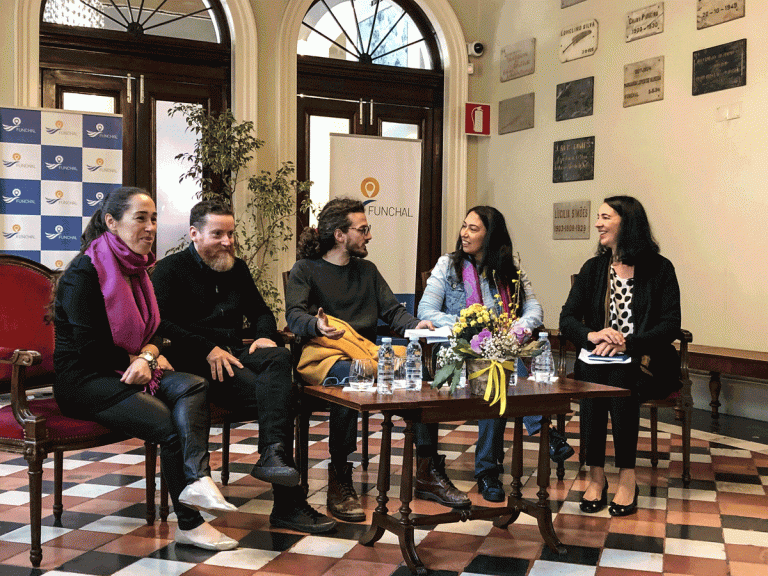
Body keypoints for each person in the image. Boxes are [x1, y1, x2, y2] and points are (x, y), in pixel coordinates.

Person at [53, 187, 239, 551]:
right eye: (141, 218)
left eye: (153, 219)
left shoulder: (136, 269)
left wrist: (148, 355)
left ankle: (198, 480)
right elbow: (90, 350)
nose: (151, 227)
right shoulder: (84, 272)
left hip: (127, 368)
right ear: (111, 222)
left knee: (193, 385)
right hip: (85, 381)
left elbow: (155, 330)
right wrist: (145, 357)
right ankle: (189, 523)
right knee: (167, 426)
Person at [150, 200, 336, 534]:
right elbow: (159, 323)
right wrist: (208, 349)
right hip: (195, 360)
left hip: (236, 353)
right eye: (218, 234)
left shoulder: (236, 268)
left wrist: (264, 336)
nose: (228, 241)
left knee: (278, 356)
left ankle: (272, 457)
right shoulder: (169, 270)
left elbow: (262, 311)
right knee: (284, 397)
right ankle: (288, 504)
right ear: (194, 234)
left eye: (231, 233)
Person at [285, 197, 472, 522]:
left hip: (367, 355)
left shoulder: (367, 271)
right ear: (340, 235)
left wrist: (416, 325)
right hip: (323, 358)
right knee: (352, 377)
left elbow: (393, 311)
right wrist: (317, 325)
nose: (369, 235)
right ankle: (340, 477)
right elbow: (294, 315)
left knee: (422, 373)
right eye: (363, 229)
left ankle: (427, 469)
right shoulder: (306, 269)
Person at [418, 206, 573, 503]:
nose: (464, 233)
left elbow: (534, 310)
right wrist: (469, 324)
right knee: (498, 366)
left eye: (473, 229)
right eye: (464, 226)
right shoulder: (447, 266)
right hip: (457, 350)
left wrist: (518, 327)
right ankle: (543, 432)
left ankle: (489, 471)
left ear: (491, 236)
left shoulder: (510, 270)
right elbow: (426, 311)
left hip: (501, 350)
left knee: (499, 366)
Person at [559, 195, 681, 517]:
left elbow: (670, 325)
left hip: (645, 362)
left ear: (627, 223)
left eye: (605, 217)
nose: (597, 223)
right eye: (598, 217)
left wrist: (628, 343)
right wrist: (593, 335)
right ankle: (596, 475)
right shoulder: (594, 268)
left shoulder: (660, 269)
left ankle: (627, 478)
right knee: (596, 379)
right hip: (597, 362)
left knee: (618, 378)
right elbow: (567, 318)